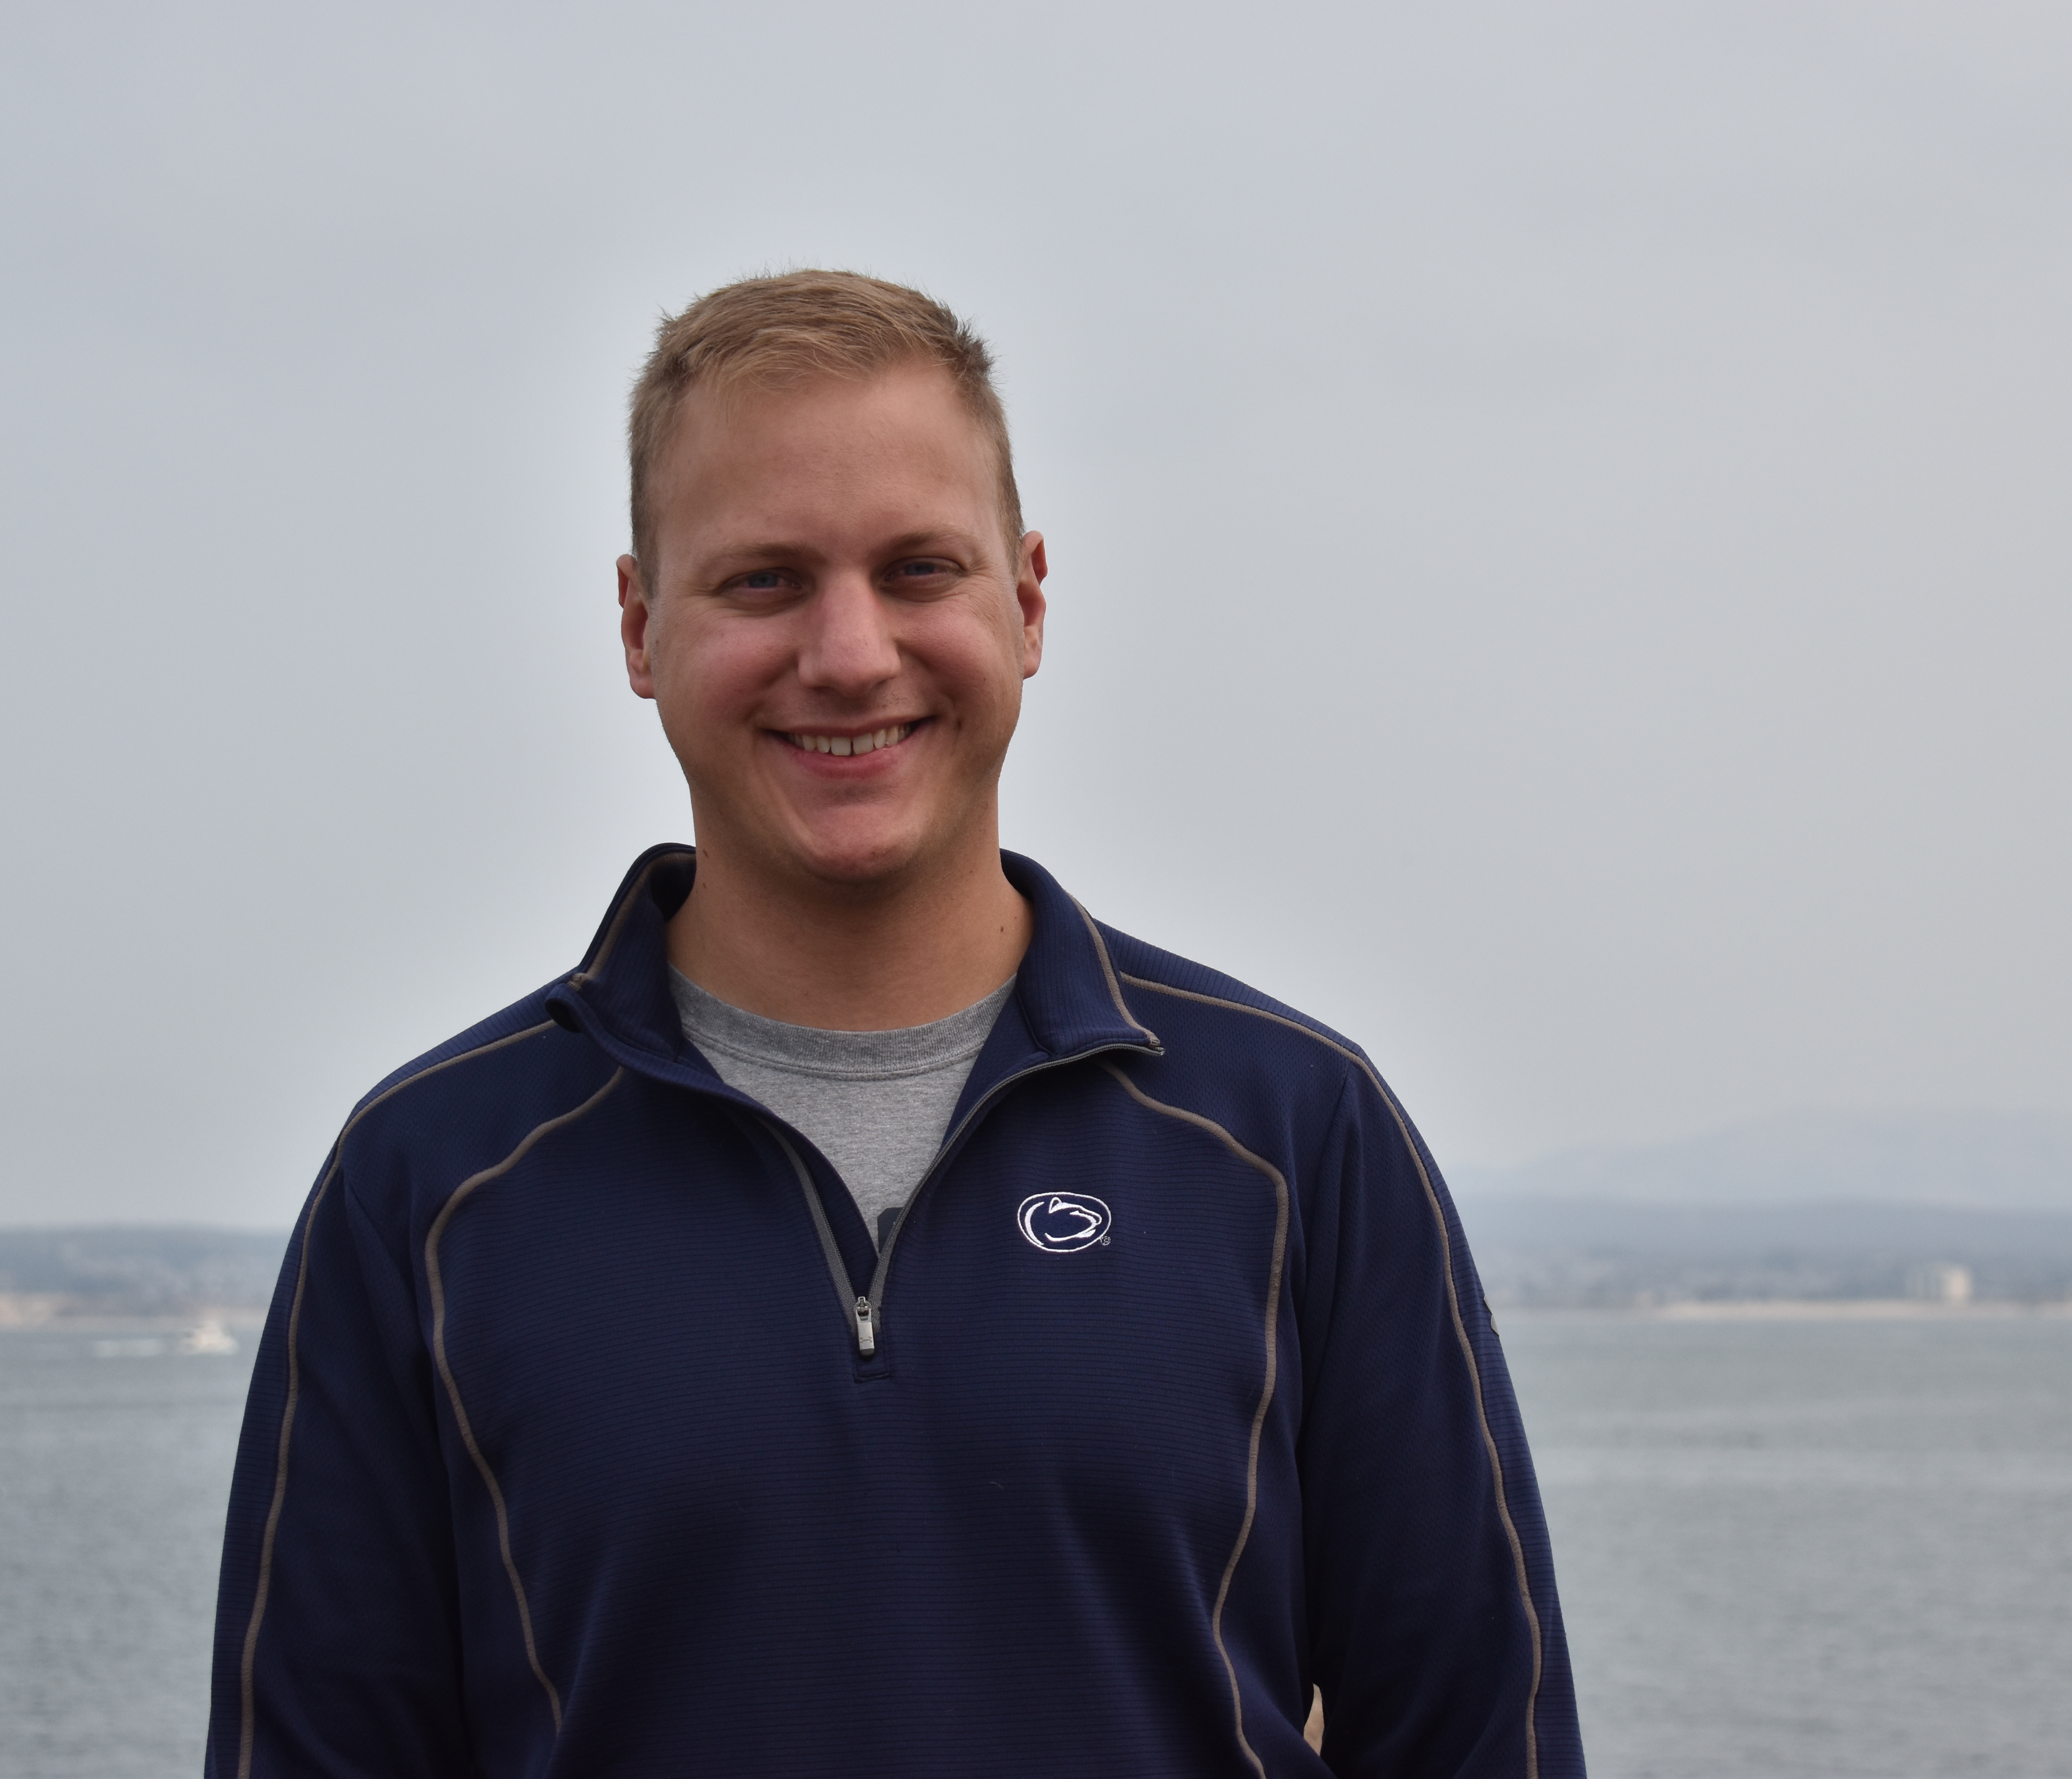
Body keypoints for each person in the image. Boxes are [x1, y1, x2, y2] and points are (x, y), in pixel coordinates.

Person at [205, 270, 1585, 1778]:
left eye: (920, 569)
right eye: (765, 581)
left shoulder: (1295, 1138)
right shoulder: (431, 1185)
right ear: (639, 625)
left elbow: (1481, 1742)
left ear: (1029, 598)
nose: (852, 653)